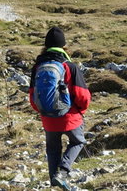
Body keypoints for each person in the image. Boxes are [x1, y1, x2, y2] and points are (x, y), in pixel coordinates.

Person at [29, 27, 91, 189]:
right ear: (64, 46)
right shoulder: (70, 66)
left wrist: (44, 111)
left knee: (53, 149)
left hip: (48, 118)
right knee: (78, 141)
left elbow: (32, 97)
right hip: (70, 116)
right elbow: (82, 95)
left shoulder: (37, 67)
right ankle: (62, 173)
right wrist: (80, 111)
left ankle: (54, 183)